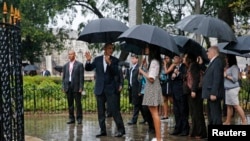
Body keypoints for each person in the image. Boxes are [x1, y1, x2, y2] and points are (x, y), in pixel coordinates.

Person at [85, 43, 125, 138]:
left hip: (111, 89)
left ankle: (121, 130)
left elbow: (116, 72)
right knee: (101, 112)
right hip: (99, 89)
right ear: (104, 49)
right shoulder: (97, 59)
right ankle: (103, 130)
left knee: (115, 110)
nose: (111, 50)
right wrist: (88, 61)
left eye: (112, 48)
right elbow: (88, 68)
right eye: (109, 48)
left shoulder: (115, 60)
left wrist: (109, 63)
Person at [139, 45, 163, 141]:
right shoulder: (154, 62)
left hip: (152, 87)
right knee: (154, 112)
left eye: (148, 48)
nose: (146, 49)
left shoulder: (154, 62)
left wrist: (142, 71)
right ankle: (158, 137)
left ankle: (158, 138)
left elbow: (151, 78)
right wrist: (145, 67)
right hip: (153, 87)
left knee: (154, 113)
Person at [183, 53, 207, 139]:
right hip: (190, 91)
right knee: (193, 113)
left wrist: (193, 90)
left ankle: (201, 132)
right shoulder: (189, 66)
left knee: (197, 112)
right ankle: (194, 131)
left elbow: (196, 78)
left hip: (195, 92)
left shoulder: (194, 66)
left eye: (185, 57)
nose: (183, 58)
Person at [202, 46, 224, 125]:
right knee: (211, 115)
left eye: (208, 51)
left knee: (215, 116)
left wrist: (214, 93)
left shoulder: (217, 62)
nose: (207, 53)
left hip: (213, 93)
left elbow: (216, 78)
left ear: (213, 52)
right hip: (210, 93)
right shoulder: (213, 62)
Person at [223, 54, 247, 125]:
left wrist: (226, 76)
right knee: (229, 105)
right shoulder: (228, 67)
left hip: (233, 88)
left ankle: (244, 121)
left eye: (226, 58)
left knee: (236, 105)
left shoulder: (234, 67)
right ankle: (228, 121)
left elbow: (235, 79)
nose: (225, 59)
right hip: (228, 88)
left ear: (230, 59)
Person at [62, 50, 84, 125]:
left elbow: (81, 77)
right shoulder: (65, 66)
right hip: (68, 86)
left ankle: (79, 118)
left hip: (76, 86)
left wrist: (81, 87)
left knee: (78, 104)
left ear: (74, 55)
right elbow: (64, 77)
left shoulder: (79, 65)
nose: (70, 56)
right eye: (69, 54)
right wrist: (63, 87)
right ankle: (71, 118)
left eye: (71, 54)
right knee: (70, 104)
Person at [170, 54, 189, 136]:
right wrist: (173, 76)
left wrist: (178, 73)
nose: (174, 59)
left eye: (176, 57)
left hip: (181, 92)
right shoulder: (175, 67)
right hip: (175, 92)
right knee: (176, 112)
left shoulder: (184, 67)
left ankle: (185, 129)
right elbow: (172, 79)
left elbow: (185, 77)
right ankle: (177, 128)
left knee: (183, 111)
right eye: (174, 58)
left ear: (180, 59)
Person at [127, 53, 146, 125]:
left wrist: (140, 90)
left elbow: (141, 80)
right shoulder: (131, 68)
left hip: (137, 89)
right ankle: (146, 118)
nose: (132, 59)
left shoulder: (139, 68)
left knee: (136, 105)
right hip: (132, 88)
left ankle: (134, 120)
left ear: (137, 59)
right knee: (140, 105)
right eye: (132, 58)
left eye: (134, 58)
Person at [160, 55, 173, 120]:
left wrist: (165, 65)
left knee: (171, 99)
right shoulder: (162, 66)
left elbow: (166, 72)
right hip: (164, 84)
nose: (165, 59)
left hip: (169, 83)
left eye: (167, 58)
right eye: (165, 58)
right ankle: (165, 114)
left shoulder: (172, 65)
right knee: (164, 99)